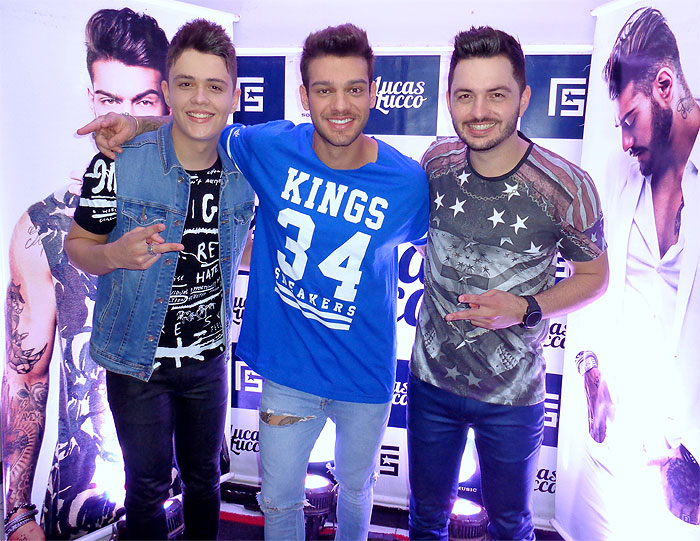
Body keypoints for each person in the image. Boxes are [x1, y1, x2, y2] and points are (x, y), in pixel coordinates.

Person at [81, 22, 429, 540]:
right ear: (303, 97)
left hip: (363, 371)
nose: (339, 105)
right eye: (324, 90)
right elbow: (198, 125)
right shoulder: (267, 147)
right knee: (276, 502)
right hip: (285, 371)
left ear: (373, 93)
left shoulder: (407, 182)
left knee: (357, 491)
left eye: (354, 89)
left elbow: (435, 248)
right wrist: (135, 123)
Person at [407, 26, 608, 540]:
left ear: (524, 98)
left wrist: (525, 307)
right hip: (430, 384)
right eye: (465, 95)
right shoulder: (434, 163)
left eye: (496, 95)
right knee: (425, 521)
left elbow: (595, 278)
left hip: (514, 396)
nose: (479, 111)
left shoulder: (568, 186)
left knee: (511, 526)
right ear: (448, 99)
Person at [64, 19, 254, 540]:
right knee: (146, 489)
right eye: (186, 83)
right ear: (167, 91)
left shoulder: (248, 167)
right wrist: (114, 255)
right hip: (134, 361)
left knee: (205, 481)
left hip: (209, 360)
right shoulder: (116, 163)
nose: (201, 99)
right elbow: (77, 246)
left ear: (234, 96)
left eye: (214, 86)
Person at [2, 8, 169, 540]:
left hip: (181, 489)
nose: (122, 121)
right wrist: (15, 512)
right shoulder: (45, 225)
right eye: (108, 100)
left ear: (168, 103)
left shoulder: (204, 209)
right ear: (91, 100)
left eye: (143, 102)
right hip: (83, 504)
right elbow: (25, 377)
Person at [570, 7, 700, 539]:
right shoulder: (618, 175)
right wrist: (591, 372)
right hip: (618, 459)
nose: (625, 141)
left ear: (665, 86)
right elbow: (589, 287)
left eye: (631, 120)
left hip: (689, 473)